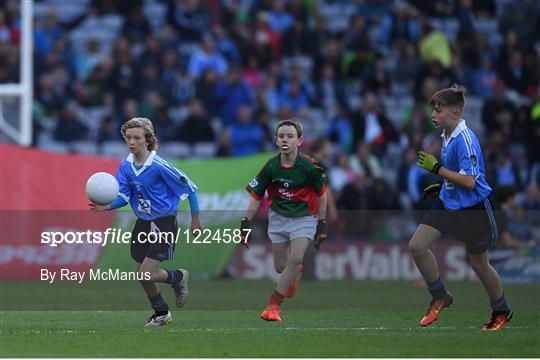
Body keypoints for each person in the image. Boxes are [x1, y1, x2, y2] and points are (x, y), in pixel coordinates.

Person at [410, 84, 512, 331]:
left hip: (473, 210)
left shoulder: (466, 140)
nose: (433, 114)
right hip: (447, 203)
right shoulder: (446, 134)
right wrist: (442, 183)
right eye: (432, 109)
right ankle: (440, 296)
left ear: (455, 114)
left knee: (478, 264)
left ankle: (501, 310)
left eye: (439, 109)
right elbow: (456, 175)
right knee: (417, 246)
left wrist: (437, 170)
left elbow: (469, 181)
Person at [89, 117, 202, 327]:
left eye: (137, 138)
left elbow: (190, 188)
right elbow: (123, 195)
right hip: (142, 223)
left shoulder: (159, 166)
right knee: (141, 276)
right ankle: (161, 313)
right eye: (128, 138)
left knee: (145, 273)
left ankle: (178, 277)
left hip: (164, 223)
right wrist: (108, 206)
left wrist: (195, 220)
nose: (132, 142)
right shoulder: (126, 166)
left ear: (147, 140)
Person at [240, 119, 328, 322]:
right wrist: (245, 223)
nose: (285, 139)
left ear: (300, 141)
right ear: (276, 140)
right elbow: (255, 196)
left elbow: (321, 194)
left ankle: (273, 306)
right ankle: (292, 277)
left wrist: (322, 223)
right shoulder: (270, 167)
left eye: (290, 136)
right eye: (281, 136)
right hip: (278, 218)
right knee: (281, 267)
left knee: (296, 259)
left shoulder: (310, 167)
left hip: (304, 218)